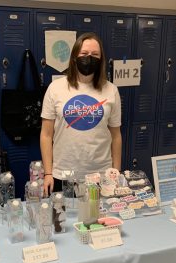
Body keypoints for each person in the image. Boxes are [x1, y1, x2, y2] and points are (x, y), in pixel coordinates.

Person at [40, 32, 122, 196]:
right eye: (84, 54)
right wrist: (48, 173)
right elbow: (46, 134)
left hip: (100, 176)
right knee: (63, 220)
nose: (89, 58)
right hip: (63, 174)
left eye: (95, 55)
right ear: (74, 57)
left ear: (101, 60)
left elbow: (116, 135)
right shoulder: (55, 88)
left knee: (97, 220)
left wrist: (116, 173)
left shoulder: (111, 90)